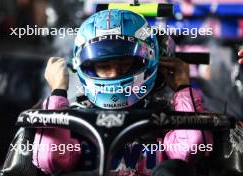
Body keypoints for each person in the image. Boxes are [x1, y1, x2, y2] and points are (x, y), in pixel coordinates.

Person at [32, 9, 213, 175]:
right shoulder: (74, 117)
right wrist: (58, 92)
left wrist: (183, 88)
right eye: (104, 66)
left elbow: (192, 148)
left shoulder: (166, 116)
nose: (114, 74)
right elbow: (50, 159)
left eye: (125, 65)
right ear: (87, 66)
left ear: (151, 61)